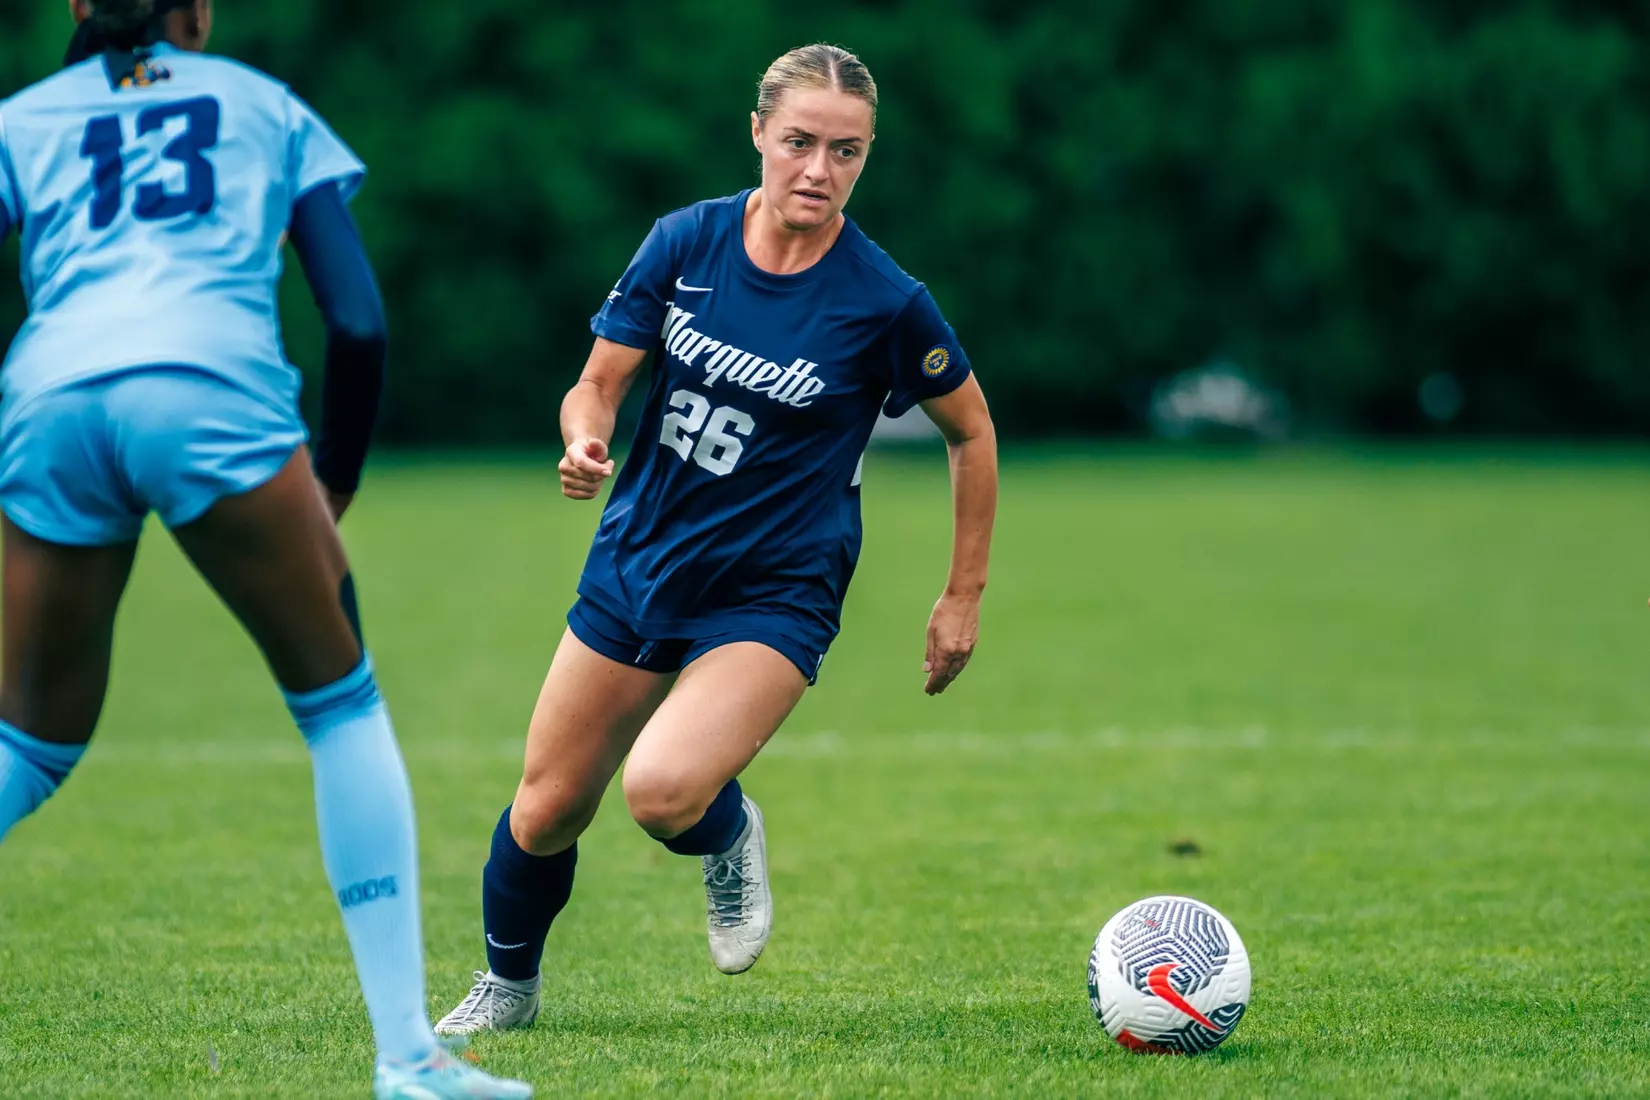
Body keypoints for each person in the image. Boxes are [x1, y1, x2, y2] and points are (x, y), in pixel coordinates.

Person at [0, 3, 531, 1097]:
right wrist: (331, 476)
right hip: (210, 395)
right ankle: (408, 1056)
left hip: (50, 400)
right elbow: (359, 322)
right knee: (340, 704)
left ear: (72, 8)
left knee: (30, 742)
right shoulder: (264, 106)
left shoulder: (20, 120)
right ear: (199, 12)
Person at [437, 42, 998, 1035]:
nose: (820, 170)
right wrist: (584, 436)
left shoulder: (883, 299)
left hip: (775, 590)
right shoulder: (686, 243)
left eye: (847, 151)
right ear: (759, 134)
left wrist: (963, 594)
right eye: (800, 142)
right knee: (546, 808)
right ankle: (507, 989)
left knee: (660, 791)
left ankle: (728, 834)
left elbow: (971, 429)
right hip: (641, 559)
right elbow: (599, 380)